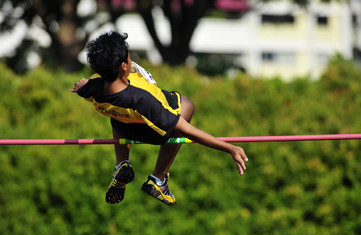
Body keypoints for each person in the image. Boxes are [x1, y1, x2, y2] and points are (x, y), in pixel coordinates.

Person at [70, 31, 248, 206]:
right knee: (187, 105)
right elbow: (187, 131)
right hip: (154, 128)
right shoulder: (141, 99)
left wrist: (81, 85)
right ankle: (158, 179)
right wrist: (229, 148)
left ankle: (121, 164)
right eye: (129, 59)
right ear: (123, 66)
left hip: (125, 124)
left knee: (117, 113)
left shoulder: (94, 87)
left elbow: (83, 85)